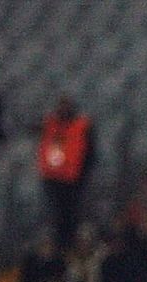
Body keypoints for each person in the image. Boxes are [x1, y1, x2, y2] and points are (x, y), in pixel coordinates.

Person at [37, 96, 92, 244]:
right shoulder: (51, 124)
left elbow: (89, 153)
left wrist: (82, 175)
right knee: (56, 215)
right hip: (53, 178)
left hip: (73, 179)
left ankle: (70, 243)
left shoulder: (82, 125)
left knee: (71, 214)